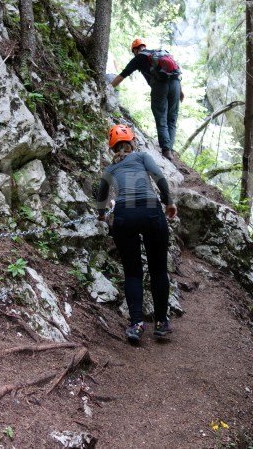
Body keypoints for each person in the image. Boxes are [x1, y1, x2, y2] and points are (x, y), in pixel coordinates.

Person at [96, 124, 177, 344]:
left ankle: (137, 324)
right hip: (151, 211)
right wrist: (169, 202)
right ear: (132, 142)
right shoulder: (142, 157)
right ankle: (160, 323)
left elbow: (101, 194)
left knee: (133, 273)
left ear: (112, 149)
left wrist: (102, 215)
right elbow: (159, 177)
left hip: (125, 216)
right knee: (158, 269)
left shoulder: (110, 170)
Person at [110, 38, 184, 160]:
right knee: (172, 117)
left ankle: (166, 150)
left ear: (135, 50)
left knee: (161, 115)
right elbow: (175, 72)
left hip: (160, 85)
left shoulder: (139, 58)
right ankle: (170, 148)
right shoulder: (160, 53)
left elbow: (123, 74)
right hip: (175, 84)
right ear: (144, 46)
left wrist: (109, 86)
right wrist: (180, 91)